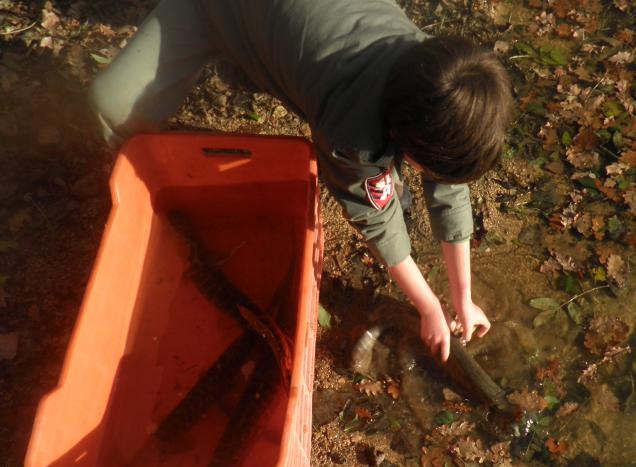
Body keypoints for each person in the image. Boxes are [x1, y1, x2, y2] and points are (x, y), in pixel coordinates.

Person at [88, 0, 514, 362]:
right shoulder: (351, 133)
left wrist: (461, 296)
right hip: (214, 10)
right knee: (110, 105)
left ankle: (247, 64)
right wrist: (427, 307)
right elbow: (377, 221)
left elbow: (447, 180)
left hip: (283, 24)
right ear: (398, 134)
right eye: (424, 167)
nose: (432, 176)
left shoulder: (437, 72)